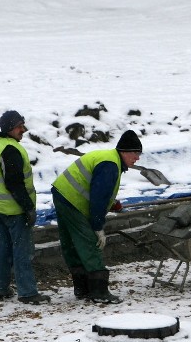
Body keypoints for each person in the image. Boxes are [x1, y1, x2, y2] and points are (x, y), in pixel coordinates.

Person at [51, 129, 142, 304]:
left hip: (62, 193)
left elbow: (100, 189)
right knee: (89, 241)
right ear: (124, 151)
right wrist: (98, 227)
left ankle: (82, 287)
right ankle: (99, 291)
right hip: (71, 199)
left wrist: (113, 203)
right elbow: (98, 197)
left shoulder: (110, 159)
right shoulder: (110, 165)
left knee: (70, 242)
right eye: (135, 153)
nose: (137, 158)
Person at [0, 110, 50, 304]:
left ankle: (1, 289)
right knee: (23, 251)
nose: (23, 130)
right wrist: (28, 207)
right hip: (14, 208)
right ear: (10, 128)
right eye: (20, 126)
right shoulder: (10, 149)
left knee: (4, 250)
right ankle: (28, 292)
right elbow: (14, 183)